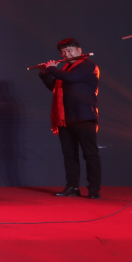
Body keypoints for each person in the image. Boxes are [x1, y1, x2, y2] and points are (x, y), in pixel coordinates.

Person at [38, 38, 101, 199]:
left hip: (84, 116)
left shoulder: (88, 65)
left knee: (90, 154)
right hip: (65, 118)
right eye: (63, 52)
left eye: (69, 50)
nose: (66, 54)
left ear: (79, 50)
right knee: (69, 155)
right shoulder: (65, 69)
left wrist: (52, 69)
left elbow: (71, 78)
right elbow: (54, 87)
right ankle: (72, 187)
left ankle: (94, 189)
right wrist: (45, 72)